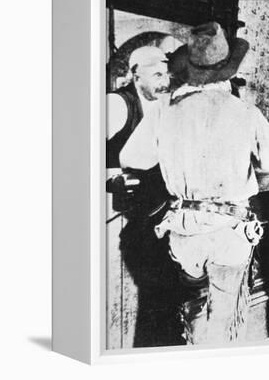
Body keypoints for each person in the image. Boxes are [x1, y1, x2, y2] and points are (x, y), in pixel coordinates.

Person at [154, 22, 269, 345]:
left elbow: (135, 157)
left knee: (194, 307)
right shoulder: (244, 112)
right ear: (228, 72)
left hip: (184, 230)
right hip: (229, 230)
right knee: (225, 313)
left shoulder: (166, 113)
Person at [106, 46, 185, 347]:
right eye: (155, 74)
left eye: (165, 73)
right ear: (135, 75)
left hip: (157, 214)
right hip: (119, 215)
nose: (163, 81)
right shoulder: (116, 104)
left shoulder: (167, 106)